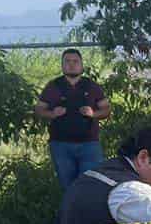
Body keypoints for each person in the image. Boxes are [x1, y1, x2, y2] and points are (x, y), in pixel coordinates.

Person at [35, 48, 110, 193]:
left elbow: (106, 109)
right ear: (62, 65)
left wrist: (93, 113)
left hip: (89, 145)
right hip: (61, 145)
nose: (71, 64)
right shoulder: (53, 86)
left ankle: (90, 215)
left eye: (75, 61)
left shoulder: (91, 86)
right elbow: (38, 110)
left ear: (82, 65)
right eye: (67, 61)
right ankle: (70, 215)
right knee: (68, 189)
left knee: (91, 186)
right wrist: (52, 113)